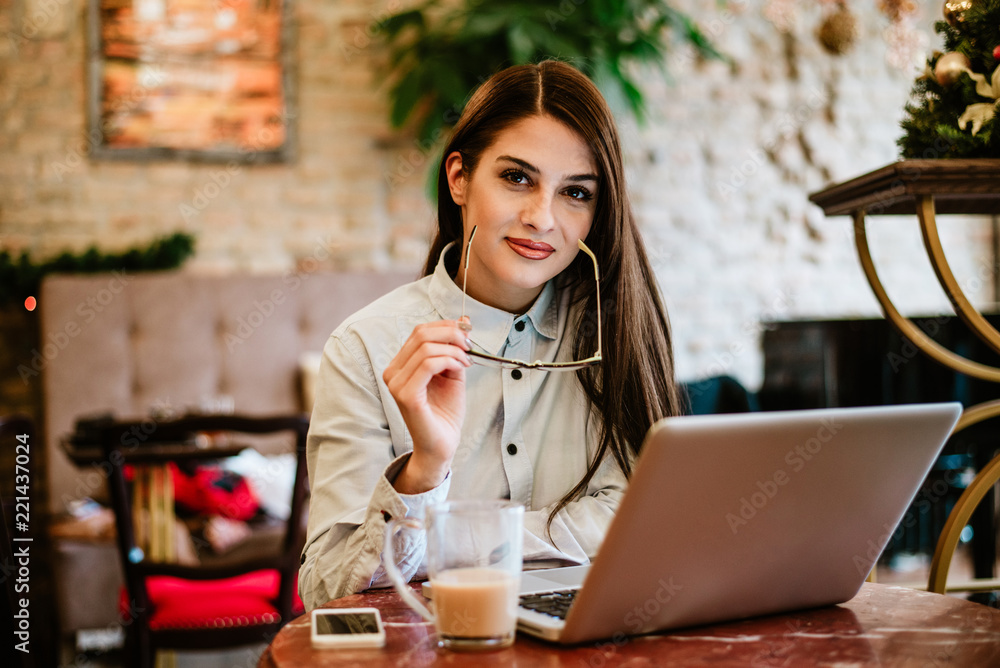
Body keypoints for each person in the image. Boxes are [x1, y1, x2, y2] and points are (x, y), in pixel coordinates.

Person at [299, 60, 682, 610]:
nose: (541, 218)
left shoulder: (617, 332)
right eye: (517, 177)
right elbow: (328, 588)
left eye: (576, 192)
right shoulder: (362, 348)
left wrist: (455, 540)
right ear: (459, 178)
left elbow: (651, 522)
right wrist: (424, 470)